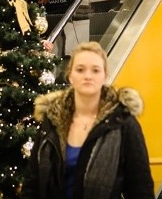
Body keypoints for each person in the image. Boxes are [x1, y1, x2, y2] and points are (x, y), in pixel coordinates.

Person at [21, 41, 154, 199]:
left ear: (105, 76)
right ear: (70, 75)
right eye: (80, 69)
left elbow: (140, 187)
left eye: (95, 70)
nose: (88, 76)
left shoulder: (122, 123)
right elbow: (32, 183)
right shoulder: (51, 120)